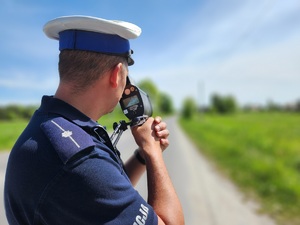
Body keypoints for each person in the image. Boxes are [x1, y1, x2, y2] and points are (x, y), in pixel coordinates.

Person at [4, 15, 184, 225]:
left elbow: (103, 192)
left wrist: (141, 156)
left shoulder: (48, 127)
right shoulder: (80, 159)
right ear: (116, 75)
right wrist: (153, 153)